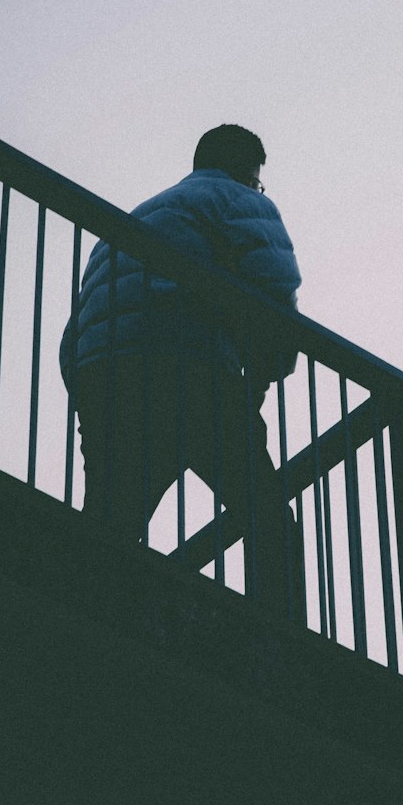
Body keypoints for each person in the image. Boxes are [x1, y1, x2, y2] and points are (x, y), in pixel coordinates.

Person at [60, 124, 302, 610]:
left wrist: (89, 390)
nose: (258, 189)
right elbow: (275, 289)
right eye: (258, 180)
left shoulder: (130, 222)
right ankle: (281, 640)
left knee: (111, 522)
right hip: (190, 370)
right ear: (245, 171)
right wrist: (265, 373)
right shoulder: (235, 199)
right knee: (268, 518)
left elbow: (74, 336)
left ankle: (86, 625)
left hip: (105, 376)